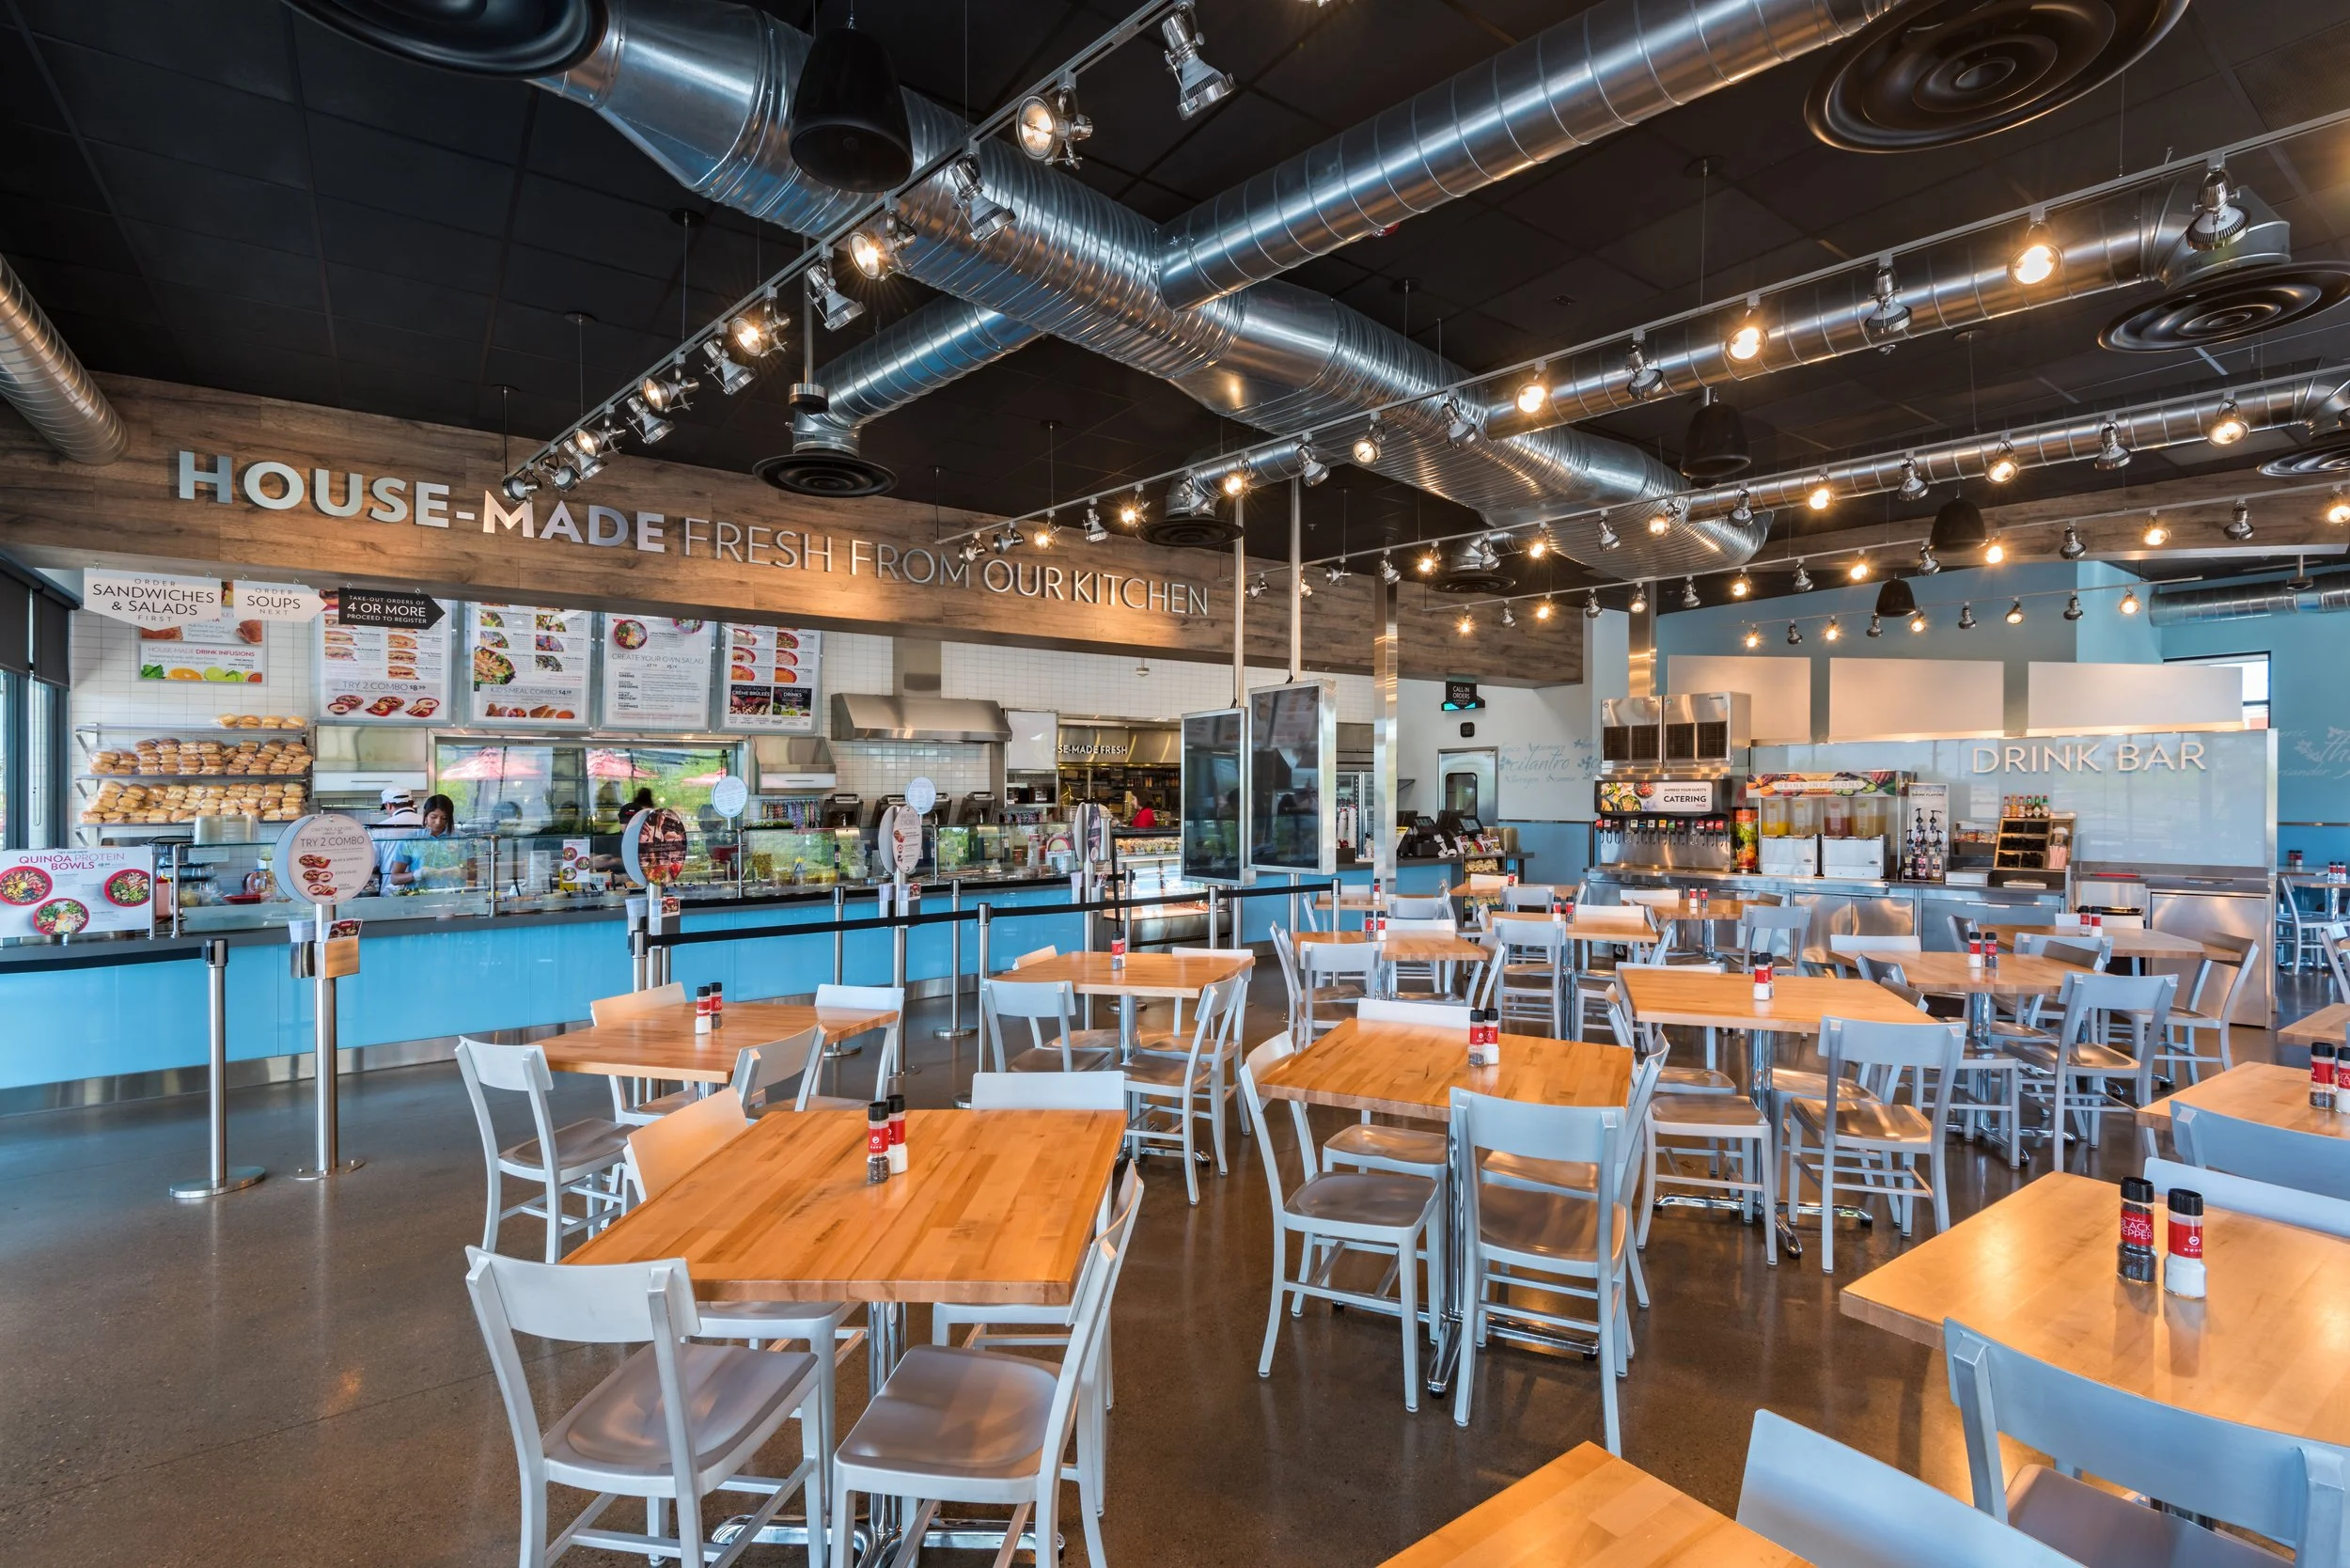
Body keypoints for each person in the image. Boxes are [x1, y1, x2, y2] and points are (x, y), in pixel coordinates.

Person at [385, 793, 470, 891]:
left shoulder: (461, 838)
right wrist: (417, 874)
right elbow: (395, 878)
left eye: (444, 818)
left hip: (453, 897)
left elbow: (473, 874)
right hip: (419, 897)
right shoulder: (411, 839)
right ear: (425, 815)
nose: (438, 822)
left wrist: (458, 872)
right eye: (434, 817)